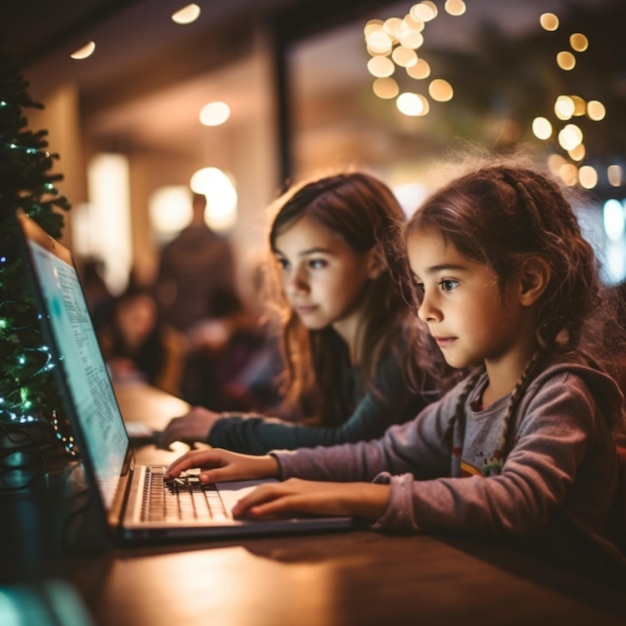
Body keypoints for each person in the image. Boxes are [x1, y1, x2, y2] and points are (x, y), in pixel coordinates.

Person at [164, 159, 626, 582]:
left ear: (528, 281)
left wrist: (361, 496)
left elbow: (518, 500)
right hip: (499, 588)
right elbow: (382, 453)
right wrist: (272, 464)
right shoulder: (471, 396)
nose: (425, 309)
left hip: (572, 601)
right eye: (423, 285)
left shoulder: (561, 393)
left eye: (447, 283)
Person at [158, 171, 452, 453]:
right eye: (285, 263)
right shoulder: (330, 339)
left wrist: (225, 428)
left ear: (375, 261)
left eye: (315, 263)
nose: (293, 284)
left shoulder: (407, 340)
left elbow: (350, 441)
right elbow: (319, 430)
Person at [155, 191, 236, 333]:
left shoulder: (172, 246)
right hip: (209, 319)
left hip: (180, 317)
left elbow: (161, 289)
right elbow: (228, 286)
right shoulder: (221, 247)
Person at [98, 285, 188, 396]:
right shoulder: (107, 340)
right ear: (121, 315)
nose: (143, 327)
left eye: (148, 320)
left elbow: (167, 390)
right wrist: (110, 367)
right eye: (137, 319)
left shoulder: (164, 347)